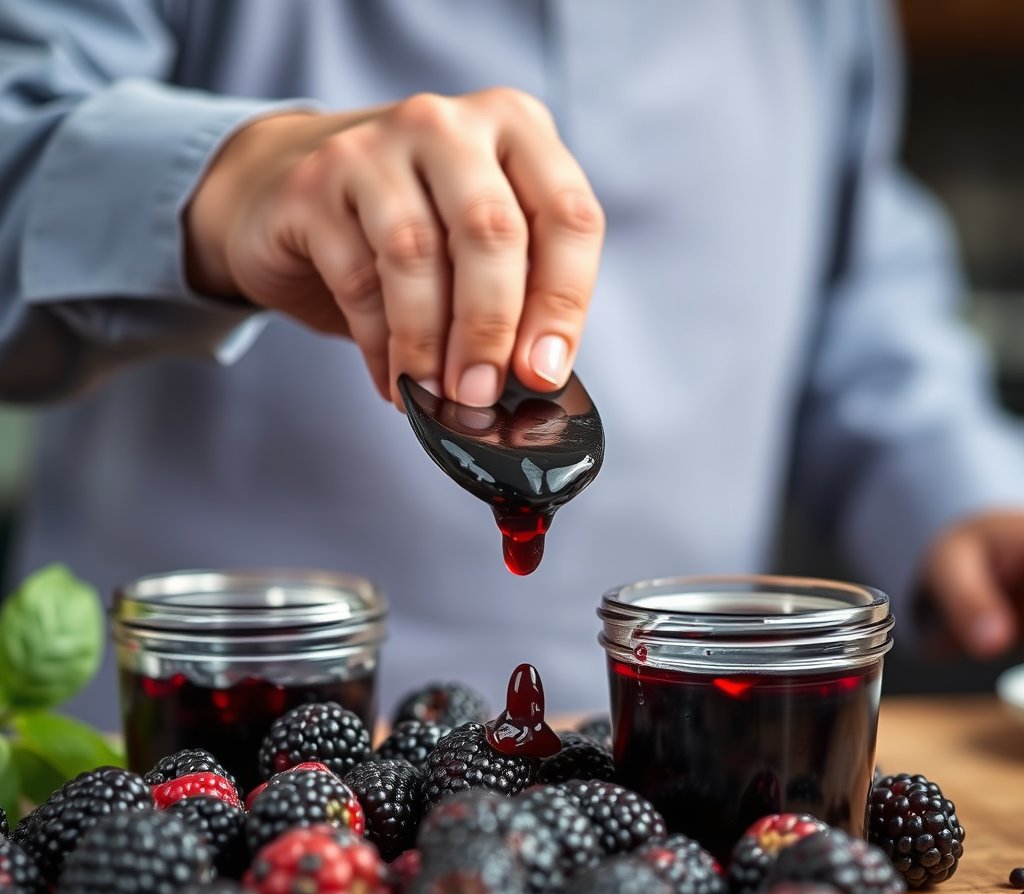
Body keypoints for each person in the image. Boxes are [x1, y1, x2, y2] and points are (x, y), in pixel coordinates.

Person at [1, 1, 1023, 729]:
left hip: (678, 763)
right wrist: (231, 181)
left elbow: (848, 272)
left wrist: (957, 486)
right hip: (194, 766)